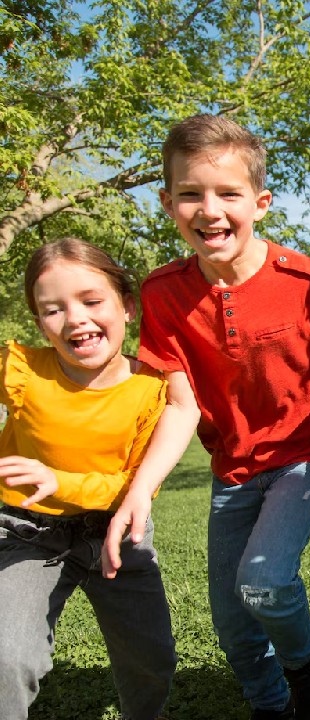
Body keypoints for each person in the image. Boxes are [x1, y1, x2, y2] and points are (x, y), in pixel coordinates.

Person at [100, 114, 310, 720]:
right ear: (168, 203)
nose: (209, 209)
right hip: (234, 468)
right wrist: (140, 487)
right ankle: (271, 705)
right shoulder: (163, 293)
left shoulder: (303, 279)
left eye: (228, 194)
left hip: (308, 451)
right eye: (191, 193)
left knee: (265, 583)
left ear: (261, 202)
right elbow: (175, 399)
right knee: (231, 621)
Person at [0, 238, 177, 720]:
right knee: (6, 658)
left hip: (116, 532)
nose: (74, 318)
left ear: (128, 307)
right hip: (26, 533)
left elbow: (134, 484)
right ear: (39, 323)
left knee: (152, 660)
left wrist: (60, 481)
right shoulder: (20, 369)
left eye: (92, 301)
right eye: (52, 310)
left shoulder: (153, 389)